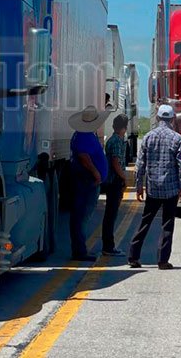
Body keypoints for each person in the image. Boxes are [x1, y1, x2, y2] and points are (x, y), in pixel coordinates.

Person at [128, 104, 181, 269]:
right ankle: (162, 260)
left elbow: (140, 164)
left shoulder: (148, 137)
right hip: (171, 188)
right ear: (172, 119)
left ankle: (133, 256)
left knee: (145, 221)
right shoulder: (177, 138)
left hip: (152, 188)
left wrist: (139, 186)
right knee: (167, 224)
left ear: (158, 117)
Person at [68, 105, 112, 261]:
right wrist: (96, 173)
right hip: (86, 179)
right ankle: (80, 251)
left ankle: (80, 249)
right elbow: (84, 157)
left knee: (81, 215)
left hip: (84, 179)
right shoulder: (84, 136)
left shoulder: (82, 134)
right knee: (82, 216)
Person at [102, 114, 130, 256]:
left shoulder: (111, 140)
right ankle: (108, 246)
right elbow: (115, 162)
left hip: (111, 181)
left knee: (110, 214)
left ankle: (108, 245)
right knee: (111, 215)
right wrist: (124, 177)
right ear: (123, 128)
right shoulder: (117, 141)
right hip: (115, 181)